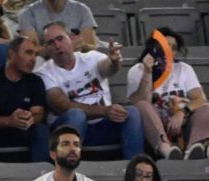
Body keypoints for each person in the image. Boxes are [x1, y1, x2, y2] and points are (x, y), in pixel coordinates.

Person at [39, 23, 141, 158]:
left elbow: (107, 68)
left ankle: (136, 168)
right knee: (76, 115)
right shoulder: (44, 72)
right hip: (67, 129)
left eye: (60, 39)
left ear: (71, 38)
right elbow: (62, 106)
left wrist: (114, 61)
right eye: (51, 43)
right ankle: (67, 170)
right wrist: (105, 111)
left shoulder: (91, 58)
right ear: (46, 48)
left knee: (132, 112)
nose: (57, 45)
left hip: (102, 126)